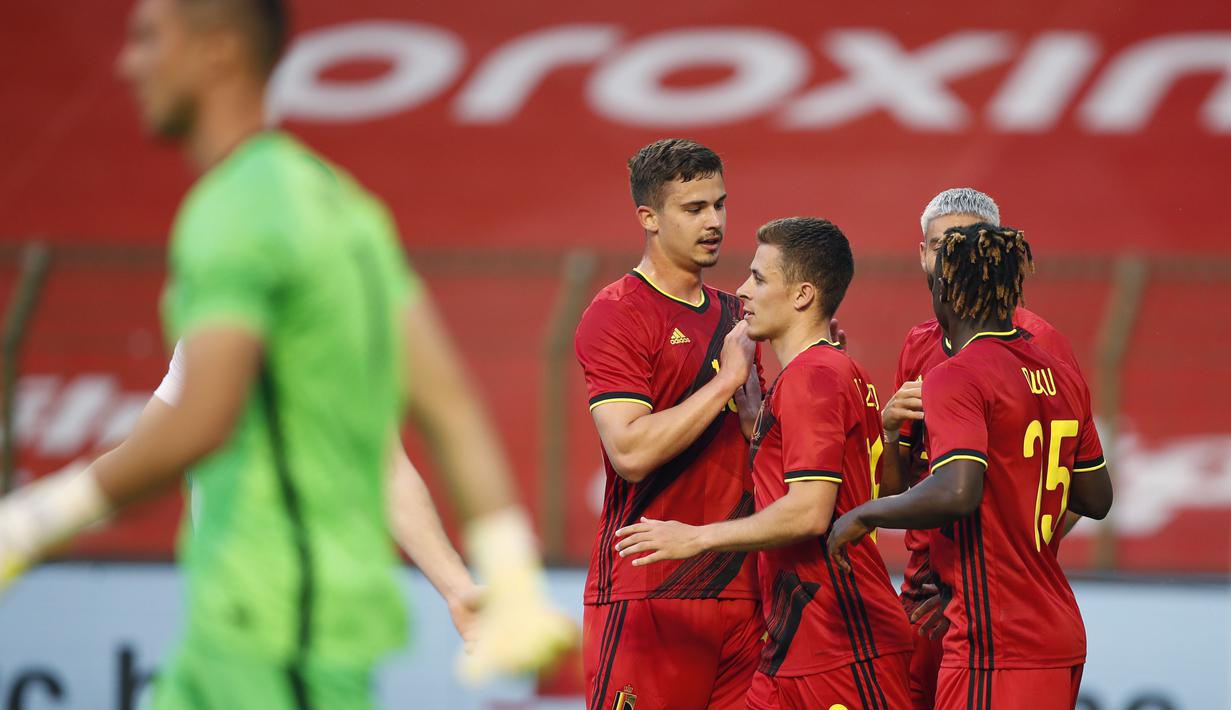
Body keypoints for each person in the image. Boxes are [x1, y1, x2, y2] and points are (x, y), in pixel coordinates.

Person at [0, 0, 571, 707]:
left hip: (281, 638)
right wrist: (496, 579)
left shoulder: (236, 214)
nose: (128, 61)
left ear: (220, 53)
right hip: (221, 642)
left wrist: (29, 524)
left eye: (149, 37)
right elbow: (441, 408)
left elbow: (201, 423)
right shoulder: (341, 211)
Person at [615, 217, 912, 709]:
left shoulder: (811, 378)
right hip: (794, 644)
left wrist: (695, 537)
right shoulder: (837, 369)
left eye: (758, 278)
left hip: (842, 645)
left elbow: (810, 512)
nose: (742, 291)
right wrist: (758, 423)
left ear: (801, 296)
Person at [829, 223, 1113, 710]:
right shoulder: (1062, 374)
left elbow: (958, 492)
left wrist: (864, 514)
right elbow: (1096, 498)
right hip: (1059, 630)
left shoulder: (956, 375)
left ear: (946, 291)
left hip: (995, 642)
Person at [574, 139, 764, 709]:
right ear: (649, 218)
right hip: (650, 591)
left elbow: (765, 446)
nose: (715, 222)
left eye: (719, 205)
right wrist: (728, 382)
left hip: (742, 592)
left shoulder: (741, 315)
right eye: (694, 208)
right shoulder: (618, 313)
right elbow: (629, 450)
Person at [880, 187, 1083, 708]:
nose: (952, 257)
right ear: (923, 254)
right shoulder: (918, 343)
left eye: (964, 243)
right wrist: (889, 436)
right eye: (939, 245)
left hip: (996, 605)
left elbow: (1074, 484)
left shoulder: (1040, 345)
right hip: (926, 595)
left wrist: (1022, 547)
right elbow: (901, 485)